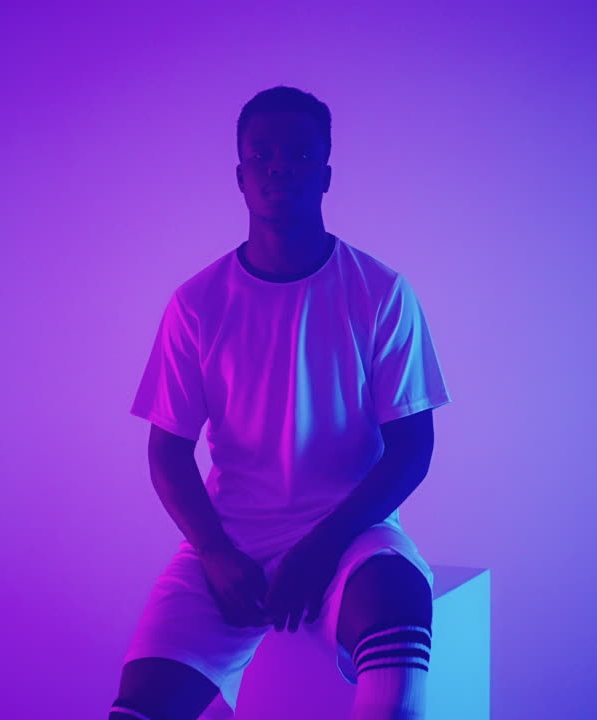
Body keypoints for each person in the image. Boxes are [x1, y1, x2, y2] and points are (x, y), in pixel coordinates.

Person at [112, 86, 451, 720]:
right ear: (239, 175)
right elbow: (167, 450)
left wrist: (322, 547)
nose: (278, 167)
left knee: (402, 609)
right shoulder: (198, 302)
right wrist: (213, 552)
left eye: (298, 154)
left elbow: (412, 449)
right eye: (261, 155)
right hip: (231, 539)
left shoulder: (379, 292)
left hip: (351, 532)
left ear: (325, 173)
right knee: (137, 709)